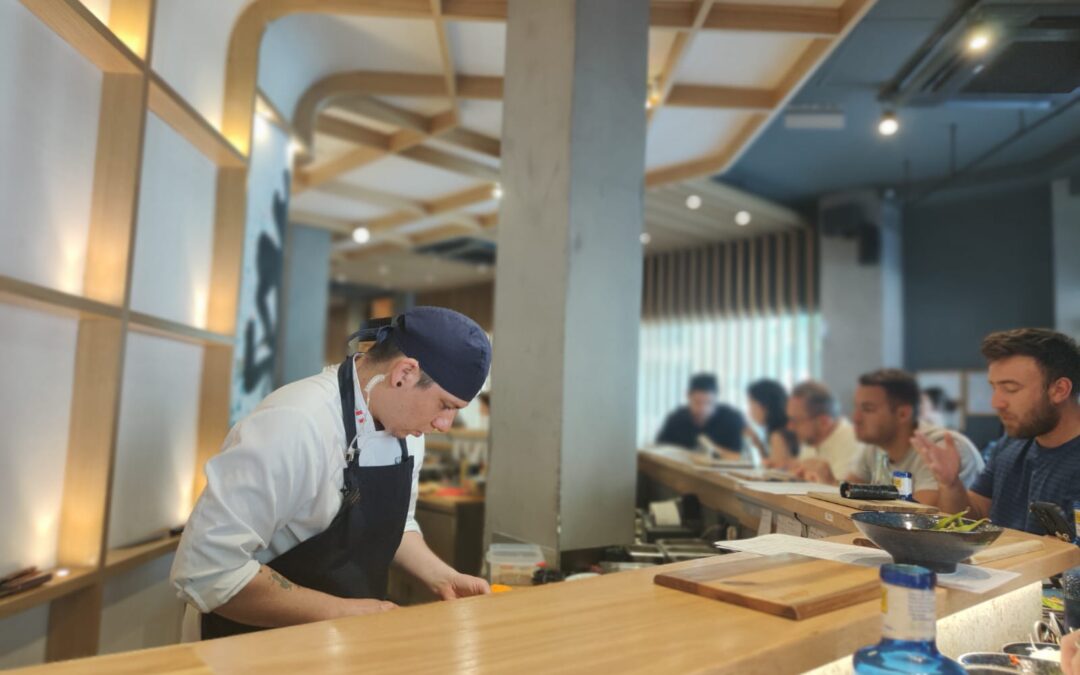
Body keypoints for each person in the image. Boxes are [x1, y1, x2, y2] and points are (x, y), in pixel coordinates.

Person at [171, 307, 492, 640]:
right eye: (446, 406)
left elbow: (396, 523)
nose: (444, 425)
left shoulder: (409, 433)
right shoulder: (295, 422)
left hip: (341, 641)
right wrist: (342, 612)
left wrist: (441, 577)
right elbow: (206, 571)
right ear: (404, 374)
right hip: (246, 645)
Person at [915, 328, 1080, 533]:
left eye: (1011, 389)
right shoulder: (1009, 445)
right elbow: (972, 515)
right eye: (994, 388)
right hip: (998, 565)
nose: (996, 402)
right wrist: (950, 484)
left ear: (1059, 390)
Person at [802, 369, 984, 506]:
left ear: (903, 414)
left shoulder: (939, 447)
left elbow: (919, 518)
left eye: (867, 409)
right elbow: (848, 494)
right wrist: (827, 480)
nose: (855, 418)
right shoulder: (876, 446)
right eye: (856, 408)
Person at [783, 380, 860, 477]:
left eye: (796, 420)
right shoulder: (810, 440)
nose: (789, 427)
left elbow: (843, 490)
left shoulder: (853, 440)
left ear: (824, 422)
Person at [656, 373, 745, 454]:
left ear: (716, 398)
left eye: (708, 403)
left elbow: (740, 457)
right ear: (688, 397)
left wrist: (713, 448)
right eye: (697, 402)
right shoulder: (676, 418)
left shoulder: (732, 419)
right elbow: (660, 448)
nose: (703, 409)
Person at [745, 379, 799, 466]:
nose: (750, 411)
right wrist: (758, 443)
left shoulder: (778, 435)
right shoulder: (782, 429)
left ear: (764, 405)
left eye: (751, 404)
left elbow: (774, 473)